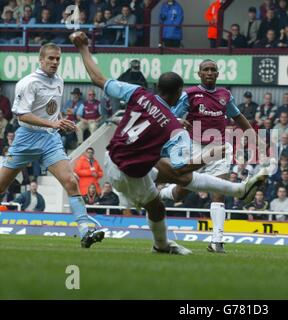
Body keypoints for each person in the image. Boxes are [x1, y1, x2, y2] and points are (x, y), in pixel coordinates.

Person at [70, 31, 265, 255]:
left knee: (169, 173)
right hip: (130, 175)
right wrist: (211, 155)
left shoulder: (138, 93)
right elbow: (182, 169)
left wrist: (83, 48)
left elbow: (98, 79)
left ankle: (234, 199)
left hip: (112, 159)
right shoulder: (174, 128)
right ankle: (162, 244)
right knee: (160, 203)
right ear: (180, 94)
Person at [0, 43, 104, 248]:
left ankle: (85, 231)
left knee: (71, 181)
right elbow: (22, 114)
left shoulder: (59, 80)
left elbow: (51, 111)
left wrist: (62, 122)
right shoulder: (28, 83)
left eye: (58, 59)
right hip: (26, 139)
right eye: (51, 58)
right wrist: (53, 123)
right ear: (41, 60)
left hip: (49, 139)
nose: (55, 62)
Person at [159, 59, 261, 254]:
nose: (209, 72)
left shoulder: (225, 95)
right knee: (182, 192)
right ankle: (163, 193)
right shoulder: (189, 95)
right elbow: (170, 116)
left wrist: (253, 136)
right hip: (194, 147)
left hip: (219, 147)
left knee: (219, 191)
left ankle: (217, 241)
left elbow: (238, 116)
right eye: (206, 69)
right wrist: (180, 121)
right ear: (199, 73)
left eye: (213, 69)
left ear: (217, 73)